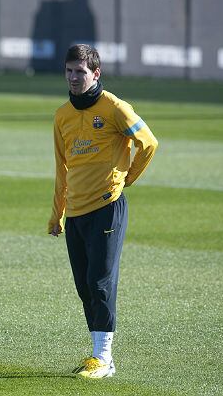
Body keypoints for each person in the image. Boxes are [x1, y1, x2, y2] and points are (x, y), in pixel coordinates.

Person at [48, 44, 158, 379]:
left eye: (80, 72)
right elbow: (61, 169)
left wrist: (126, 179)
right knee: (84, 287)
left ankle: (104, 358)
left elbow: (149, 143)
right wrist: (57, 214)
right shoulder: (62, 116)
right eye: (68, 71)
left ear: (96, 73)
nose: (73, 78)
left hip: (107, 207)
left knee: (99, 283)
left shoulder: (115, 108)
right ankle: (97, 355)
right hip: (77, 212)